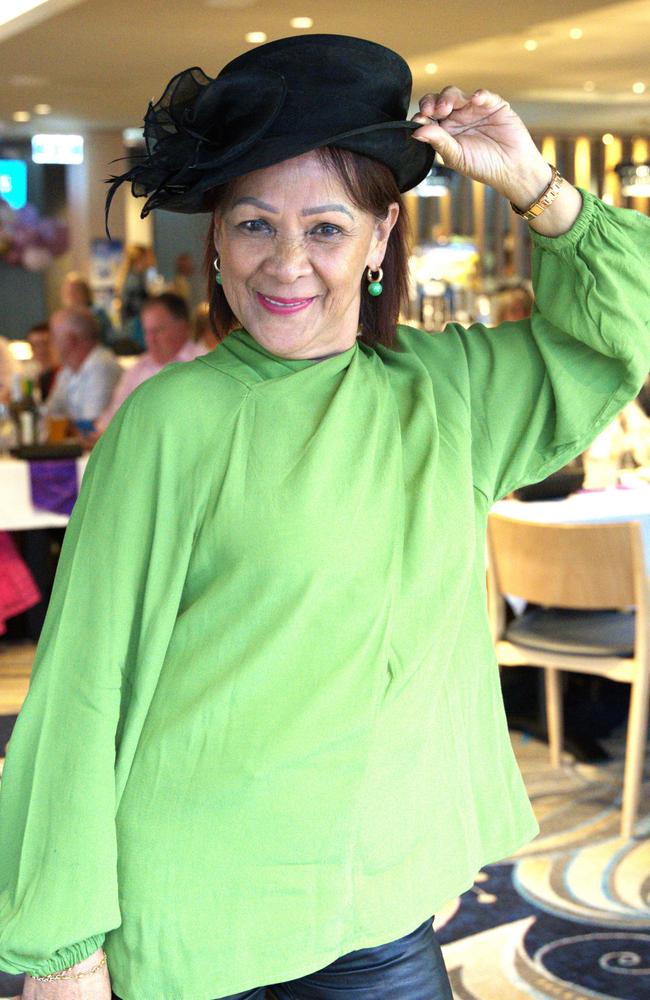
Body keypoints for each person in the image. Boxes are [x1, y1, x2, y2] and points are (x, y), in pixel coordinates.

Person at [0, 33, 648, 1000]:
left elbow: (628, 329)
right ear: (215, 240)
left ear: (382, 239)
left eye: (328, 228)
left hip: (378, 914)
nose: (286, 264)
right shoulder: (172, 421)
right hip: (191, 919)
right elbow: (87, 687)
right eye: (254, 224)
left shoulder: (450, 396)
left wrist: (538, 188)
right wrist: (63, 949)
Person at [95, 292, 207, 432]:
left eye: (158, 331)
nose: (150, 339)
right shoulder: (137, 369)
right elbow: (111, 420)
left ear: (183, 327)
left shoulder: (204, 364)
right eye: (146, 332)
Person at [46, 307, 122, 425]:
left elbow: (91, 425)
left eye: (53, 336)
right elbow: (49, 414)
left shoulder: (101, 365)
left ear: (70, 339)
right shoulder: (68, 371)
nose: (50, 342)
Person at [61, 272, 115, 346]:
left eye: (75, 291)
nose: (71, 296)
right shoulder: (64, 317)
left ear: (85, 293)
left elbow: (111, 340)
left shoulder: (97, 313)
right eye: (68, 292)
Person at [26, 322, 61, 401]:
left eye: (44, 343)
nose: (40, 349)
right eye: (34, 345)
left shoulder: (63, 374)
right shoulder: (33, 375)